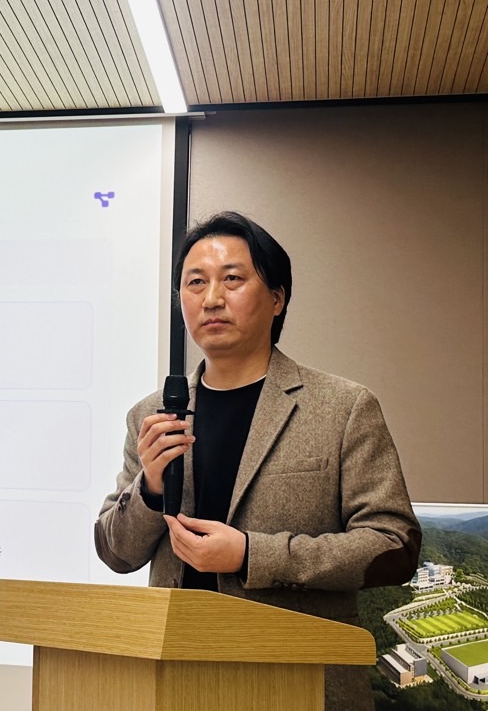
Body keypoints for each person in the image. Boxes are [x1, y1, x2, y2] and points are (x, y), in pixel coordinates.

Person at [94, 211, 421, 710]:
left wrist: (251, 555)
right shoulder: (152, 413)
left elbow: (393, 548)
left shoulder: (344, 408)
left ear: (277, 298)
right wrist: (151, 488)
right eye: (195, 282)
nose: (211, 298)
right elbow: (116, 553)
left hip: (297, 684)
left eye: (232, 279)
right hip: (175, 684)